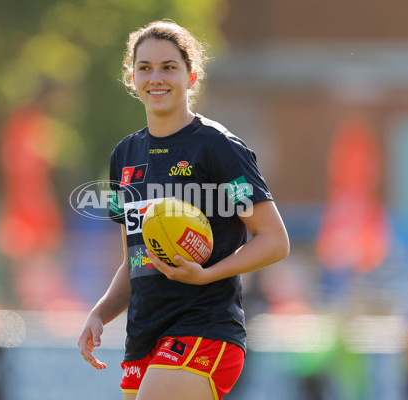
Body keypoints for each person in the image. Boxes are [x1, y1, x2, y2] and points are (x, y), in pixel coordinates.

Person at [78, 20, 290, 400]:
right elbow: (135, 261)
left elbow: (274, 241)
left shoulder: (218, 147)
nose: (156, 77)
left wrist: (207, 275)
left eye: (168, 67)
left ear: (192, 77)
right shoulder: (123, 156)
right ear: (132, 78)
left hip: (206, 328)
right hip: (143, 336)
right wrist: (100, 313)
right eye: (145, 68)